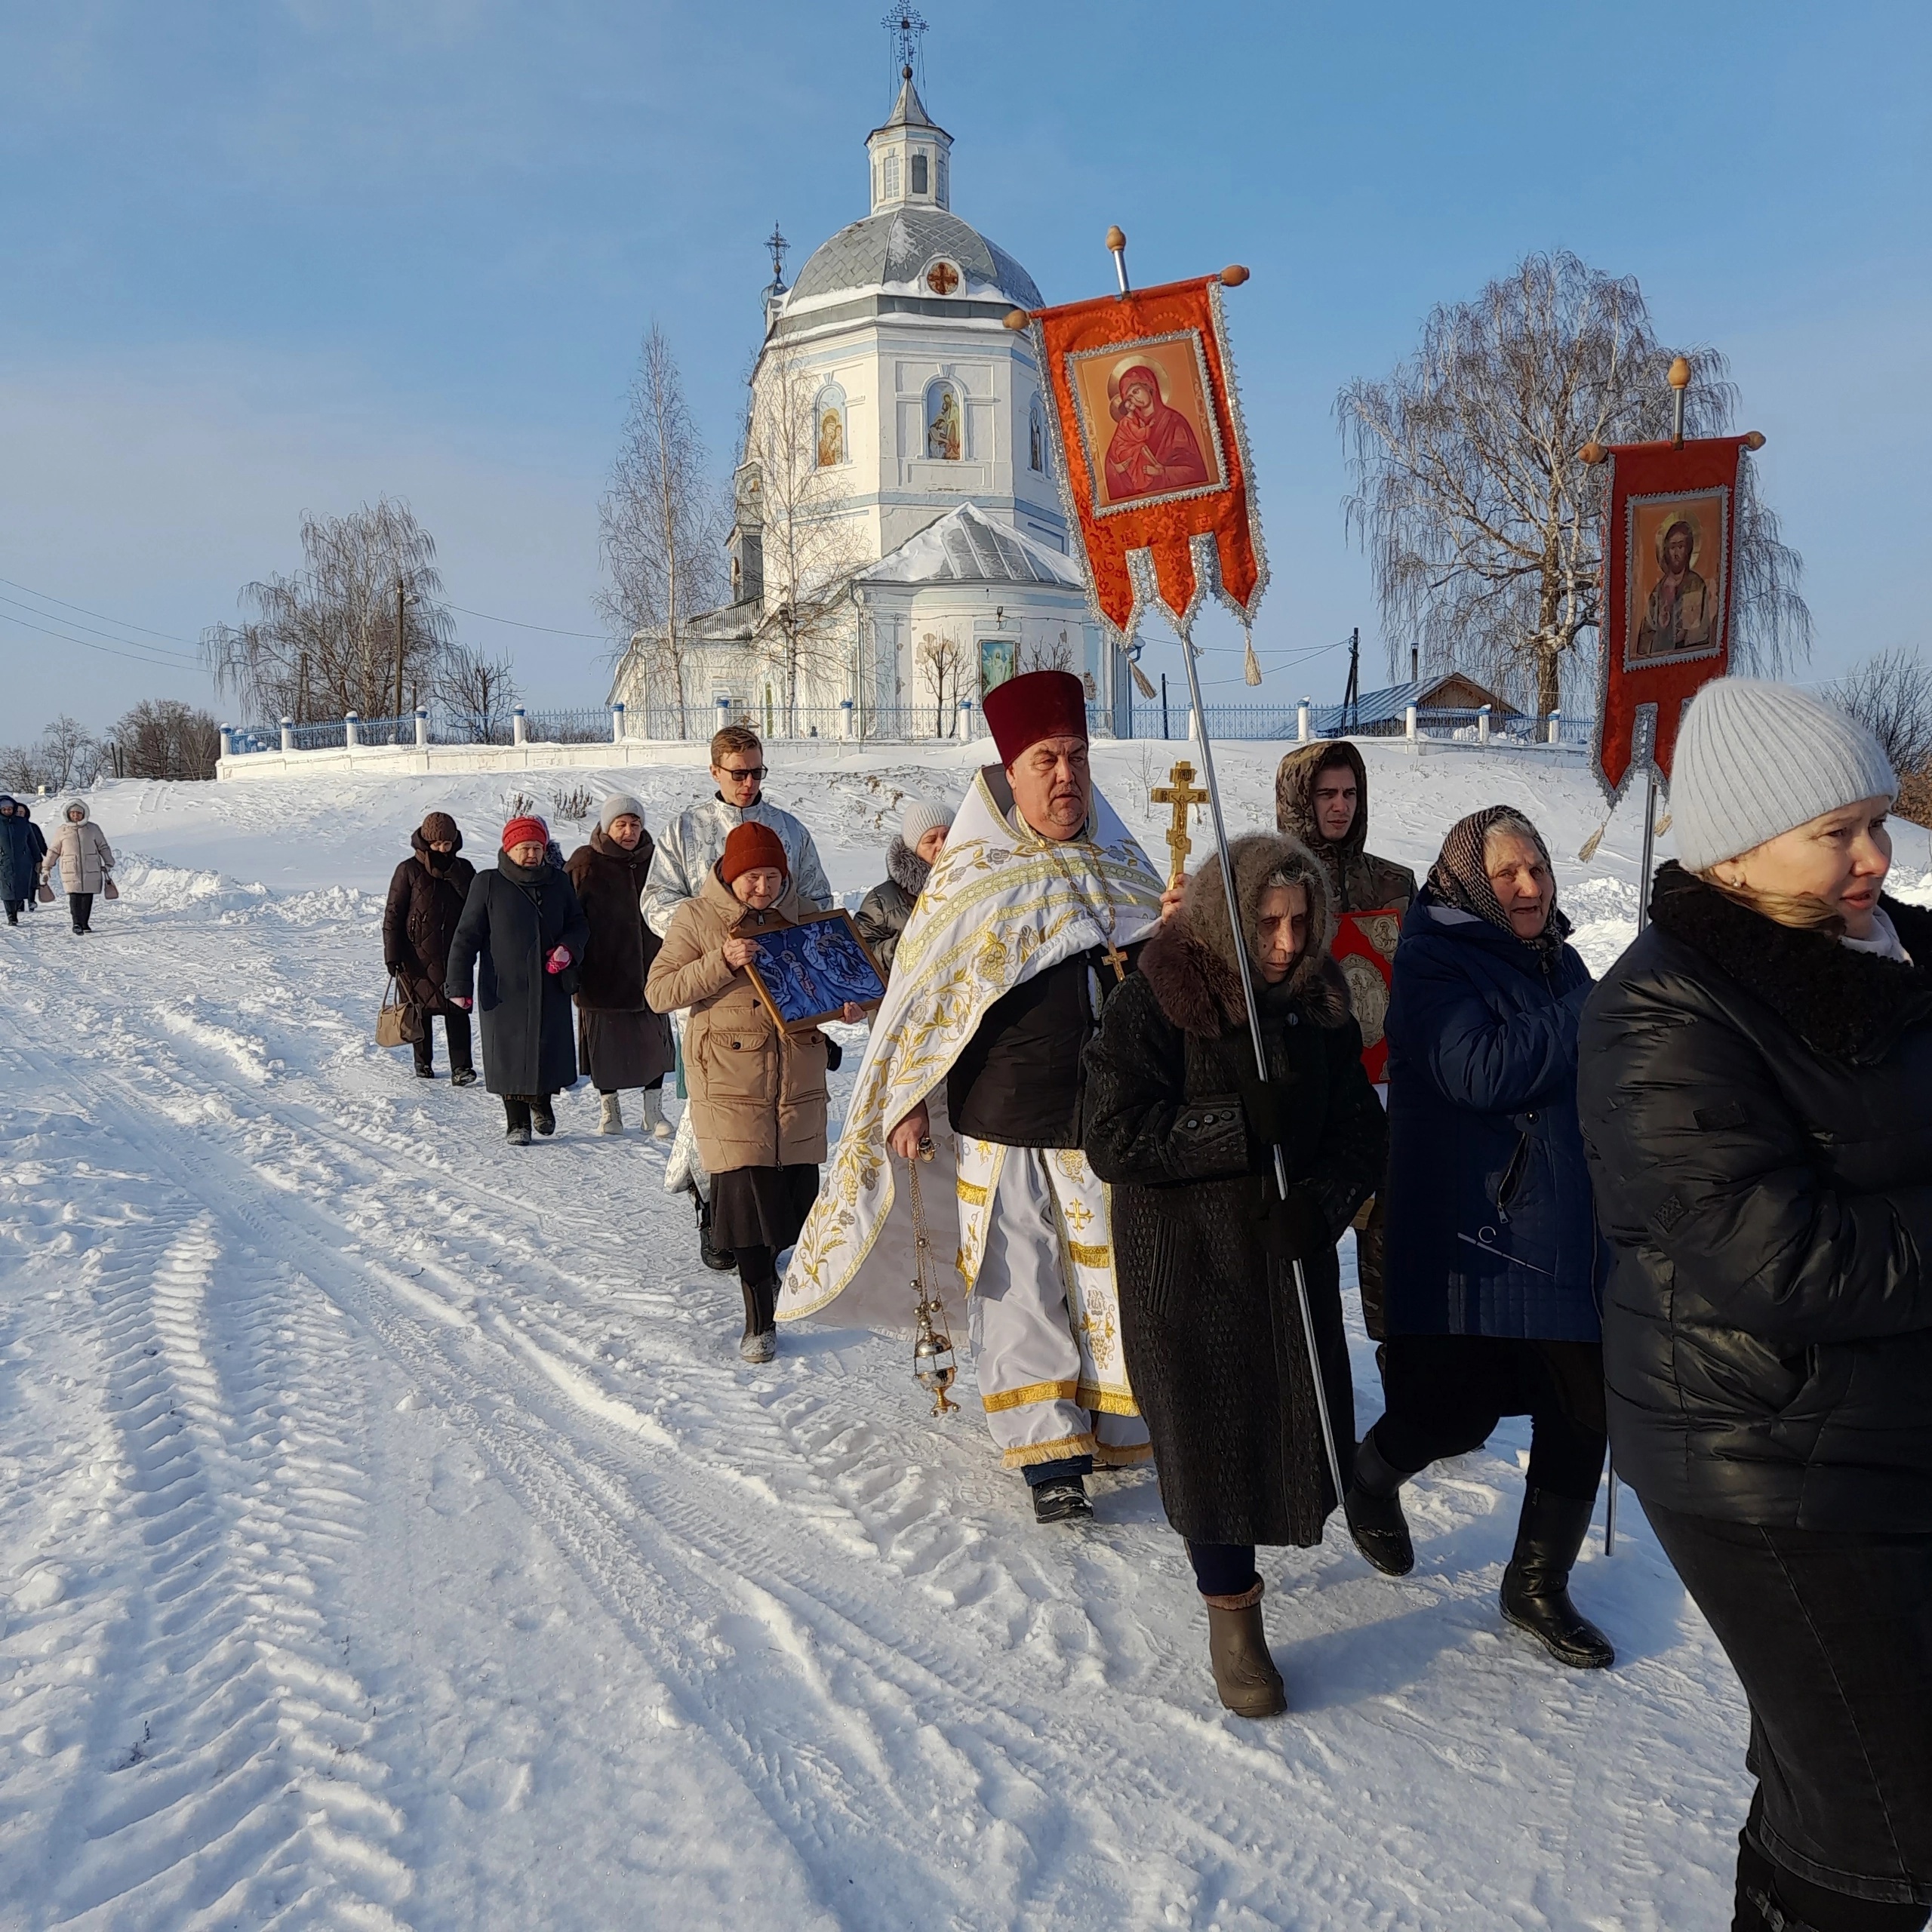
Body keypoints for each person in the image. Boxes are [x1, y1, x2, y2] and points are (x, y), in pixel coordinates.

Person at [1580, 680, 1932, 1932]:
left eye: (1879, 824)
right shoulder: (1663, 1009)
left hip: (1877, 1427)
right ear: (1734, 850)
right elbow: (1780, 1258)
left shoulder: (1889, 949)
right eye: (1839, 833)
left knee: (1836, 1778)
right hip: (1761, 1457)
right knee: (1886, 1826)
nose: (1877, 859)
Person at [779, 670, 1170, 1525]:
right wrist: (908, 1101)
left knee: (1109, 1277)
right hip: (1006, 1120)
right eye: (1046, 760)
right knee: (1017, 1281)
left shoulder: (1126, 865)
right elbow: (921, 1008)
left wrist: (1174, 934)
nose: (1066, 776)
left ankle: (1114, 1418)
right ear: (1010, 773)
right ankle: (1047, 1452)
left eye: (1076, 756)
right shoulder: (969, 880)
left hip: (1106, 1120)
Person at [1084, 832, 1386, 1717]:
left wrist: (1320, 1203)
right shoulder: (1157, 1001)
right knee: (1207, 1438)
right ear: (1227, 917)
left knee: (1289, 1425)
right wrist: (1230, 1127)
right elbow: (1112, 1134)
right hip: (1184, 1266)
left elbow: (1360, 1133)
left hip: (1280, 1261)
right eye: (1268, 923)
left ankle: (1264, 1555)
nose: (1288, 943)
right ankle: (1232, 1616)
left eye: (1301, 921)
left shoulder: (1317, 1004)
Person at [1343, 805, 1613, 1670]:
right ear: (1468, 882)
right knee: (1456, 1411)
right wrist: (1589, 1014)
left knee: (1584, 1401)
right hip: (1474, 1226)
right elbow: (1477, 1070)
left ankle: (1537, 1584)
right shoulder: (1430, 960)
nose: (1530, 886)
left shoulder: (1558, 958)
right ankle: (1372, 1473)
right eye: (1508, 874)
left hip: (1561, 1218)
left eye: (1536, 866)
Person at [647, 823, 859, 1363]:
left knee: (792, 1199)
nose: (762, 888)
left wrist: (851, 1004)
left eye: (770, 876)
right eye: (751, 878)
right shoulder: (696, 917)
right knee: (745, 1203)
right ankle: (758, 1322)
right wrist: (721, 961)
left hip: (795, 1079)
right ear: (730, 873)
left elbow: (844, 979)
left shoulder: (806, 912)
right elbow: (659, 991)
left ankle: (772, 1270)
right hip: (727, 1080)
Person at [645, 725, 833, 1269]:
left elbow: (817, 899)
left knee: (779, 1111)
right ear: (715, 772)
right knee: (714, 1112)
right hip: (714, 986)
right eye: (738, 773)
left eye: (757, 772)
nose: (749, 783)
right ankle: (712, 1210)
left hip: (781, 988)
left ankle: (769, 1228)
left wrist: (798, 946)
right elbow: (658, 897)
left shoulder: (788, 830)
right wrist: (709, 936)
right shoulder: (685, 829)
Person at [1275, 737, 1420, 1346]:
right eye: (1325, 793)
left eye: (1350, 793)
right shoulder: (1273, 885)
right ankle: (1316, 1410)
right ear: (1298, 800)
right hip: (1308, 1099)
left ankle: (1410, 1414)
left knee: (1396, 1269)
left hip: (1386, 1096)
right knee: (1303, 1274)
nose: (1340, 807)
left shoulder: (1393, 882)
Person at [445, 814, 589, 1146]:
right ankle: (516, 1123)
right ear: (509, 849)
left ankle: (541, 1103)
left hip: (550, 986)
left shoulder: (558, 882)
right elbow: (466, 937)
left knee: (545, 1049)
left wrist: (569, 948)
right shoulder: (488, 883)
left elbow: (579, 924)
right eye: (524, 848)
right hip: (502, 989)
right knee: (508, 1056)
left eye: (537, 848)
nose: (532, 854)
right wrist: (459, 986)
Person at [567, 792, 674, 1137]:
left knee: (653, 1043)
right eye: (621, 824)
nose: (629, 831)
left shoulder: (657, 859)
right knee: (605, 1047)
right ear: (606, 825)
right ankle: (609, 1111)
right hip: (602, 970)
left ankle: (653, 1112)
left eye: (635, 823)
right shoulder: (585, 862)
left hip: (651, 967)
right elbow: (567, 916)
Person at [382, 811, 478, 1084]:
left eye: (447, 845)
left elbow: (476, 905)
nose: (442, 850)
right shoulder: (408, 870)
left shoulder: (464, 869)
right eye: (437, 845)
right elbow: (393, 914)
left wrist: (454, 875)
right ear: (425, 841)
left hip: (455, 954)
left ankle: (462, 1068)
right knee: (419, 1010)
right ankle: (422, 1063)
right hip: (416, 956)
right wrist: (392, 953)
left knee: (457, 1010)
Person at [854, 798, 952, 977]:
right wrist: (908, 946)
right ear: (913, 848)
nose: (941, 845)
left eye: (947, 836)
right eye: (930, 840)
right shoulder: (881, 902)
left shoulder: (979, 881)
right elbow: (861, 958)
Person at [1103, 363, 1210, 501]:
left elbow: (1195, 471)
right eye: (1129, 398)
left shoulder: (1174, 421)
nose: (1135, 399)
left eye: (1136, 391)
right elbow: (1112, 462)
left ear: (1149, 386)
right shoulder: (1128, 425)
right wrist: (1116, 469)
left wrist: (1163, 471)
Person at [1633, 514, 1719, 660]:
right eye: (1672, 547)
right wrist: (1662, 628)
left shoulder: (1696, 585)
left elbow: (1706, 630)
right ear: (1666, 551)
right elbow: (1645, 640)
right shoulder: (1658, 592)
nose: (1676, 553)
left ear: (1689, 549)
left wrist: (1686, 635)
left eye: (1681, 546)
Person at [41, 799, 113, 934]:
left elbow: (103, 846)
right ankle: (76, 923)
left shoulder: (93, 828)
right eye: (73, 813)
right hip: (71, 869)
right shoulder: (62, 830)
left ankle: (85, 923)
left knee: (87, 896)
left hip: (91, 867)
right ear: (68, 814)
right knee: (74, 895)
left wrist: (109, 863)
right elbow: (54, 850)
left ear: (84, 814)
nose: (76, 816)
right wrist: (47, 867)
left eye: (78, 813)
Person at [0, 796, 37, 925]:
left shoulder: (23, 823)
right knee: (7, 890)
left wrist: (38, 859)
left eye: (9, 808)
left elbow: (32, 842)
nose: (7, 811)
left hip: (23, 861)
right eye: (4, 809)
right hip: (4, 862)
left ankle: (18, 908)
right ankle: (12, 916)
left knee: (20, 888)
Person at [17, 802, 46, 912]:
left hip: (32, 857)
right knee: (18, 881)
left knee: (32, 880)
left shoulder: (32, 827)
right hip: (17, 859)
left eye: (21, 812)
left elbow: (40, 841)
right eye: (17, 812)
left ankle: (31, 901)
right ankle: (19, 904)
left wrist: (47, 854)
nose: (19, 814)